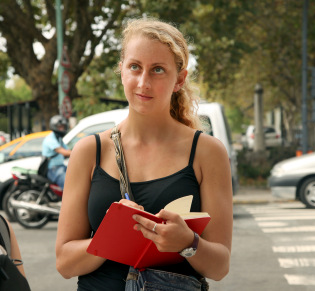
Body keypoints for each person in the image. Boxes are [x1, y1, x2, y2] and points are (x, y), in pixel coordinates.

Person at [55, 17, 233, 290]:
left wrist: (188, 243)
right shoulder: (89, 151)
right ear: (122, 71)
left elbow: (220, 267)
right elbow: (65, 263)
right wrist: (113, 237)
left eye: (158, 70)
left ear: (179, 79)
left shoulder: (207, 152)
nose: (143, 82)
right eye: (135, 67)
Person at [41, 115, 72, 189]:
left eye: (63, 127)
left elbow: (68, 151)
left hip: (60, 166)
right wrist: (81, 153)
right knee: (68, 187)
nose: (62, 129)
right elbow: (64, 152)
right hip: (53, 169)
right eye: (60, 127)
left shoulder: (58, 138)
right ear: (54, 127)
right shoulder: (50, 139)